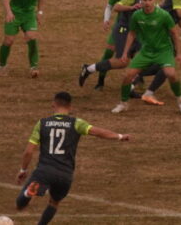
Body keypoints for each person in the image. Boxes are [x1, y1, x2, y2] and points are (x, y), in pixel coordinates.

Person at [15, 91, 130, 224]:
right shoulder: (76, 123)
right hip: (65, 174)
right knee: (54, 202)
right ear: (70, 107)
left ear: (53, 105)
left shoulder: (42, 124)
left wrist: (23, 170)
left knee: (20, 204)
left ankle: (28, 193)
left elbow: (28, 152)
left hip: (44, 171)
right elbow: (99, 132)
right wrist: (120, 136)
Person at [111, 0, 181, 116]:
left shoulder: (163, 15)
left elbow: (175, 33)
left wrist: (179, 53)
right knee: (127, 76)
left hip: (164, 51)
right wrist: (125, 53)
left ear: (154, 0)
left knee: (171, 74)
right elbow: (132, 33)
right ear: (141, 0)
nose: (147, 3)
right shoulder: (137, 15)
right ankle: (123, 103)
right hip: (146, 51)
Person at [78, 0, 151, 89]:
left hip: (135, 31)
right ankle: (91, 70)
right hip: (123, 29)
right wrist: (131, 8)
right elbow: (115, 7)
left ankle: (133, 83)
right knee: (121, 61)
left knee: (144, 55)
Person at [0, 0, 48, 78]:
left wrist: (40, 12)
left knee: (32, 37)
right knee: (8, 41)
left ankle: (33, 67)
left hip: (29, 15)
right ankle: (2, 66)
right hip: (15, 14)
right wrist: (9, 13)